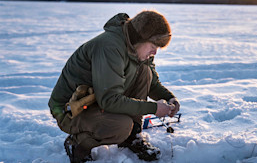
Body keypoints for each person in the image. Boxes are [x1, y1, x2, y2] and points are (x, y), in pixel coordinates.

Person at [48, 11, 180, 162]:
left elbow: (152, 84)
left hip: (97, 100)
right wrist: (154, 108)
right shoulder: (110, 47)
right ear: (140, 38)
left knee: (145, 72)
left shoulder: (137, 49)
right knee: (121, 126)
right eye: (153, 45)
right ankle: (78, 143)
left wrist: (169, 98)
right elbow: (109, 100)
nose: (155, 52)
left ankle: (133, 137)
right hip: (70, 110)